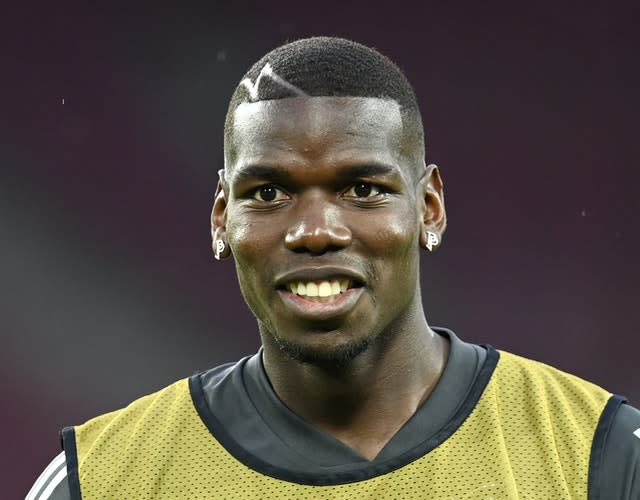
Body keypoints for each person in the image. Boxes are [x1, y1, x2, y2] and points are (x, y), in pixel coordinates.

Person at [27, 36, 640, 500]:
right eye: (268, 193)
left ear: (429, 207)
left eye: (362, 188)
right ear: (222, 218)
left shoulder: (599, 457)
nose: (315, 231)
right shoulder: (103, 478)